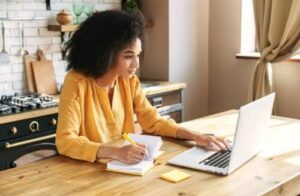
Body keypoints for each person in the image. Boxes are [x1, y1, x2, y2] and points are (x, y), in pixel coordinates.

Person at [56, 10, 230, 165]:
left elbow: (153, 122)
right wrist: (116, 153)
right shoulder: (76, 82)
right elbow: (66, 141)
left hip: (127, 166)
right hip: (87, 173)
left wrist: (196, 136)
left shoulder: (128, 80)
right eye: (128, 56)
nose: (136, 64)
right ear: (104, 53)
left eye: (138, 55)